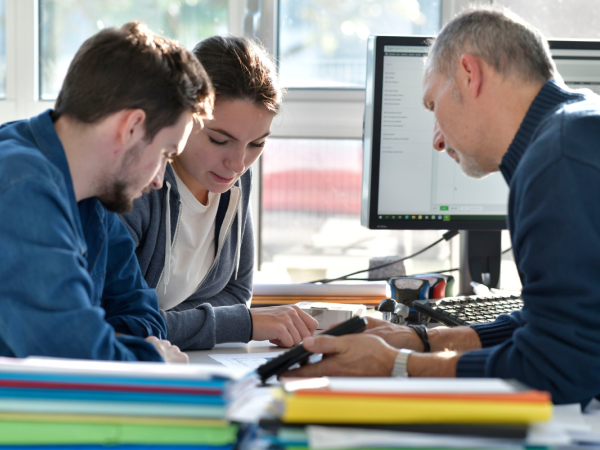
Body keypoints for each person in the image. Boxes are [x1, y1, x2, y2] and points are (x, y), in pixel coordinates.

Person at [283, 6, 600, 405]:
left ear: (470, 74)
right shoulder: (574, 130)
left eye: (433, 106)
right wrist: (423, 338)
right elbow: (562, 324)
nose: (436, 139)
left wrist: (396, 365)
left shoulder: (558, 159)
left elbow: (560, 365)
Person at [0, 22, 214, 363]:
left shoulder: (94, 190)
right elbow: (69, 355)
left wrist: (105, 341)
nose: (160, 179)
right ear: (130, 127)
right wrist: (150, 358)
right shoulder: (20, 185)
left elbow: (145, 315)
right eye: (165, 155)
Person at [120, 36, 318, 351]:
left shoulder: (234, 179)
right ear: (181, 117)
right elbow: (122, 325)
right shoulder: (136, 185)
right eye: (219, 140)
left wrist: (169, 324)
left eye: (257, 144)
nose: (238, 163)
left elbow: (237, 292)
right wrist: (245, 323)